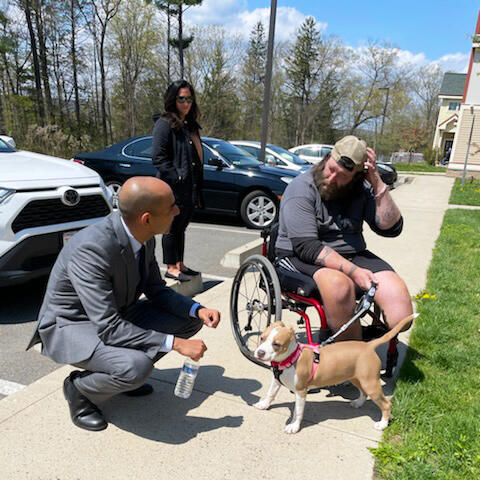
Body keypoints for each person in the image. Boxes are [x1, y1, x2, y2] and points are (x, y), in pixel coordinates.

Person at [27, 176, 220, 432]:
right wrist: (175, 344)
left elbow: (156, 291)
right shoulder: (92, 249)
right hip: (72, 326)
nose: (177, 210)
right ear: (147, 218)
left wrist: (198, 309)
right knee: (135, 367)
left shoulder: (145, 236)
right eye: (171, 206)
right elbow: (108, 327)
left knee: (188, 319)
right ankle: (79, 390)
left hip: (115, 316)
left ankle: (122, 373)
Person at [275, 135, 413, 341]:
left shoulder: (361, 189)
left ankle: (353, 341)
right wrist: (354, 272)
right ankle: (352, 351)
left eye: (341, 176)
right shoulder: (301, 188)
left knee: (401, 314)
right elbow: (307, 247)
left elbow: (391, 228)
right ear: (327, 158)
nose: (331, 178)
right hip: (298, 255)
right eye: (330, 169)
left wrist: (376, 181)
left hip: (352, 253)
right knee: (339, 286)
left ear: (356, 177)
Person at [152, 79, 203, 282]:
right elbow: (158, 157)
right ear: (173, 100)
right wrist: (177, 176)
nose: (186, 103)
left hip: (188, 187)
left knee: (181, 226)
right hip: (172, 187)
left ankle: (180, 263)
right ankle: (171, 266)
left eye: (189, 99)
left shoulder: (188, 126)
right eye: (182, 98)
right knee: (171, 226)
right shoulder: (164, 124)